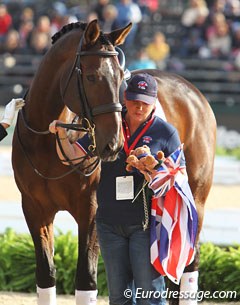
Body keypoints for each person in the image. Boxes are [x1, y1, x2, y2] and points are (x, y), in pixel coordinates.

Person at [49, 73, 186, 305]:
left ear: (154, 102)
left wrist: (152, 171)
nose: (139, 107)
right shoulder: (107, 125)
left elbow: (180, 178)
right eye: (134, 100)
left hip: (147, 226)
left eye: (144, 102)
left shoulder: (166, 133)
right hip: (108, 224)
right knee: (118, 298)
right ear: (124, 97)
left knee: (149, 297)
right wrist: (61, 134)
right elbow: (72, 158)